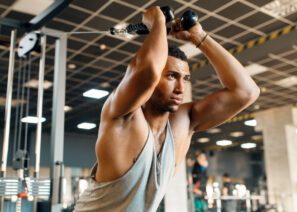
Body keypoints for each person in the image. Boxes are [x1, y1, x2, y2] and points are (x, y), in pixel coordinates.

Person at [74, 6, 259, 212]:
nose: (180, 88)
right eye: (171, 76)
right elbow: (150, 72)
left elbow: (246, 91)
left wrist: (199, 37)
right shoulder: (121, 116)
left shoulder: (184, 122)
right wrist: (157, 25)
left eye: (185, 79)